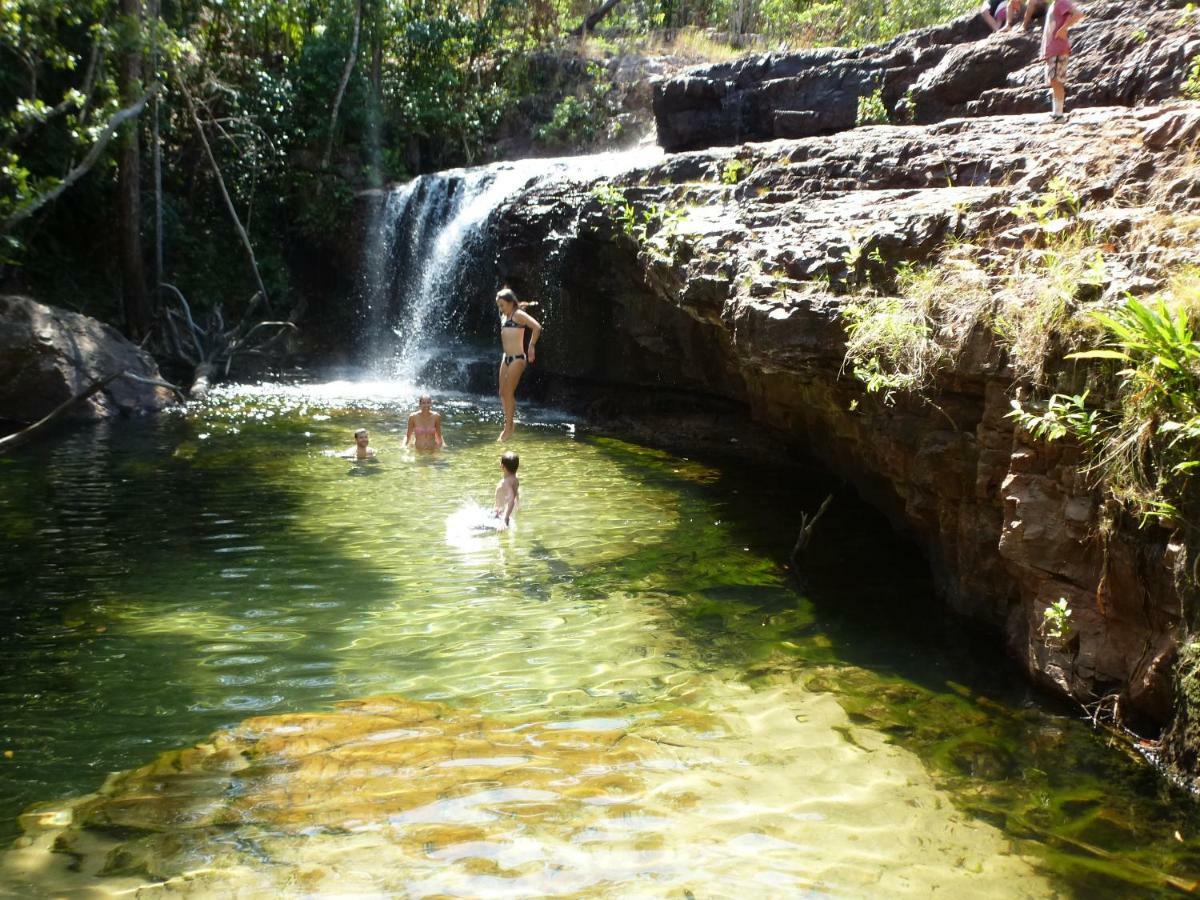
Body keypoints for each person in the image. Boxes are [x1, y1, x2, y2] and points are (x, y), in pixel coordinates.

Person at [495, 286, 542, 442]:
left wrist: (531, 346)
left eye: (502, 305)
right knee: (502, 393)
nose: (500, 308)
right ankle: (509, 423)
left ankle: (508, 427)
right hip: (506, 358)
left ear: (510, 303)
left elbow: (536, 327)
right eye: (499, 306)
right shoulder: (505, 315)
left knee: (508, 392)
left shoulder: (518, 315)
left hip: (517, 358)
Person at [1040, 0, 1084, 119]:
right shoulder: (1054, 4)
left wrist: (1064, 28)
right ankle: (1056, 113)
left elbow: (1079, 14)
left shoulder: (1061, 2)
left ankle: (1059, 114)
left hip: (1058, 49)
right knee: (1054, 81)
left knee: (1056, 81)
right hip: (1053, 49)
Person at [493, 450, 520, 527]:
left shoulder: (504, 483)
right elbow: (516, 493)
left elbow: (511, 501)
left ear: (502, 466)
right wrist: (518, 504)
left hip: (500, 516)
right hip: (507, 514)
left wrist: (504, 520)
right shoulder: (516, 478)